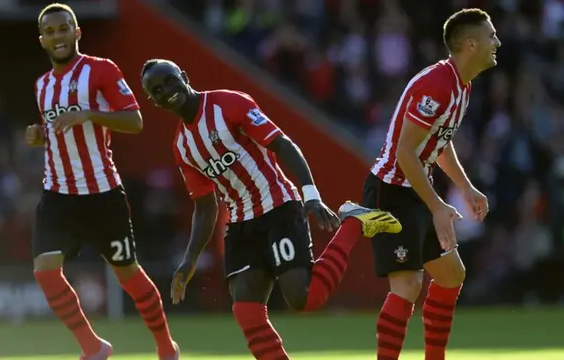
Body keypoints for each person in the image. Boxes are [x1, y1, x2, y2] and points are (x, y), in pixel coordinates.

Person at [140, 58, 402, 359]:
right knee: (246, 312)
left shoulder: (228, 104)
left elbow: (284, 145)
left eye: (170, 80)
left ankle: (353, 223)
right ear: (154, 101)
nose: (167, 90)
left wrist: (311, 196)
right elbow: (204, 206)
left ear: (184, 75)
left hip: (278, 206)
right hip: (240, 225)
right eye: (157, 90)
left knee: (304, 299)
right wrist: (189, 260)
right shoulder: (182, 147)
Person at [26, 4, 179, 360]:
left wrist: (89, 114)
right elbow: (59, 131)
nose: (58, 36)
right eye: (50, 32)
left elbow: (135, 120)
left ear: (77, 32)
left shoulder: (101, 70)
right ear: (42, 40)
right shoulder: (42, 85)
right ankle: (93, 348)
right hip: (57, 195)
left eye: (64, 29)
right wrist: (41, 137)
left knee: (128, 274)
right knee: (45, 273)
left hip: (101, 194)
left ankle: (165, 347)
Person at [363, 8, 499, 360]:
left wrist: (465, 186)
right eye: (491, 36)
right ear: (471, 43)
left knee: (452, 275)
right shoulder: (438, 85)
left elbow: (438, 143)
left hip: (414, 188)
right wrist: (437, 206)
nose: (497, 42)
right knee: (408, 284)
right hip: (390, 190)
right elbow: (406, 153)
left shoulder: (460, 85)